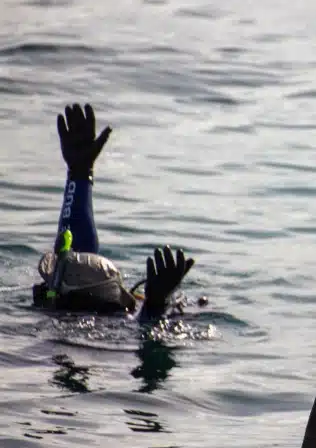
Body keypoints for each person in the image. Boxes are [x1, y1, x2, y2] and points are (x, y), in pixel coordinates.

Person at [31, 103, 195, 321]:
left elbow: (71, 260)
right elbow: (73, 258)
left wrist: (78, 175)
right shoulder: (106, 317)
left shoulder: (57, 314)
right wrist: (155, 305)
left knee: (74, 270)